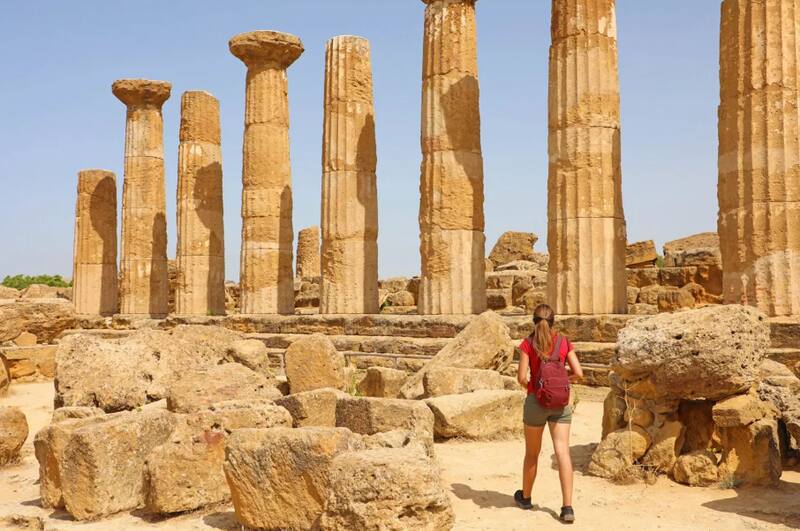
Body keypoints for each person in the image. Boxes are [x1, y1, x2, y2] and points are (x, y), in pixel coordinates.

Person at [514, 303, 583, 523]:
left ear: (534, 321)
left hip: (536, 401)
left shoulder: (528, 343)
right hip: (561, 402)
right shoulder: (563, 342)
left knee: (532, 453)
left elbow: (522, 377)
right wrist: (563, 380)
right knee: (563, 452)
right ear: (554, 321)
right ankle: (567, 507)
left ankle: (525, 497)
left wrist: (535, 389)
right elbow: (579, 373)